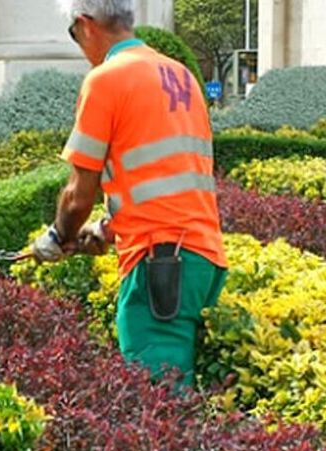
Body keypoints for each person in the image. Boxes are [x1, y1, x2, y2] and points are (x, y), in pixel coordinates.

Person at [31, 0, 228, 387]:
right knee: (181, 401)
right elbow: (170, 177)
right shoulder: (181, 75)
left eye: (73, 36)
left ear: (85, 25)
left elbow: (77, 194)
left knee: (159, 411)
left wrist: (58, 237)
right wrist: (107, 229)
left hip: (160, 262)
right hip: (201, 257)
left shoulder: (107, 79)